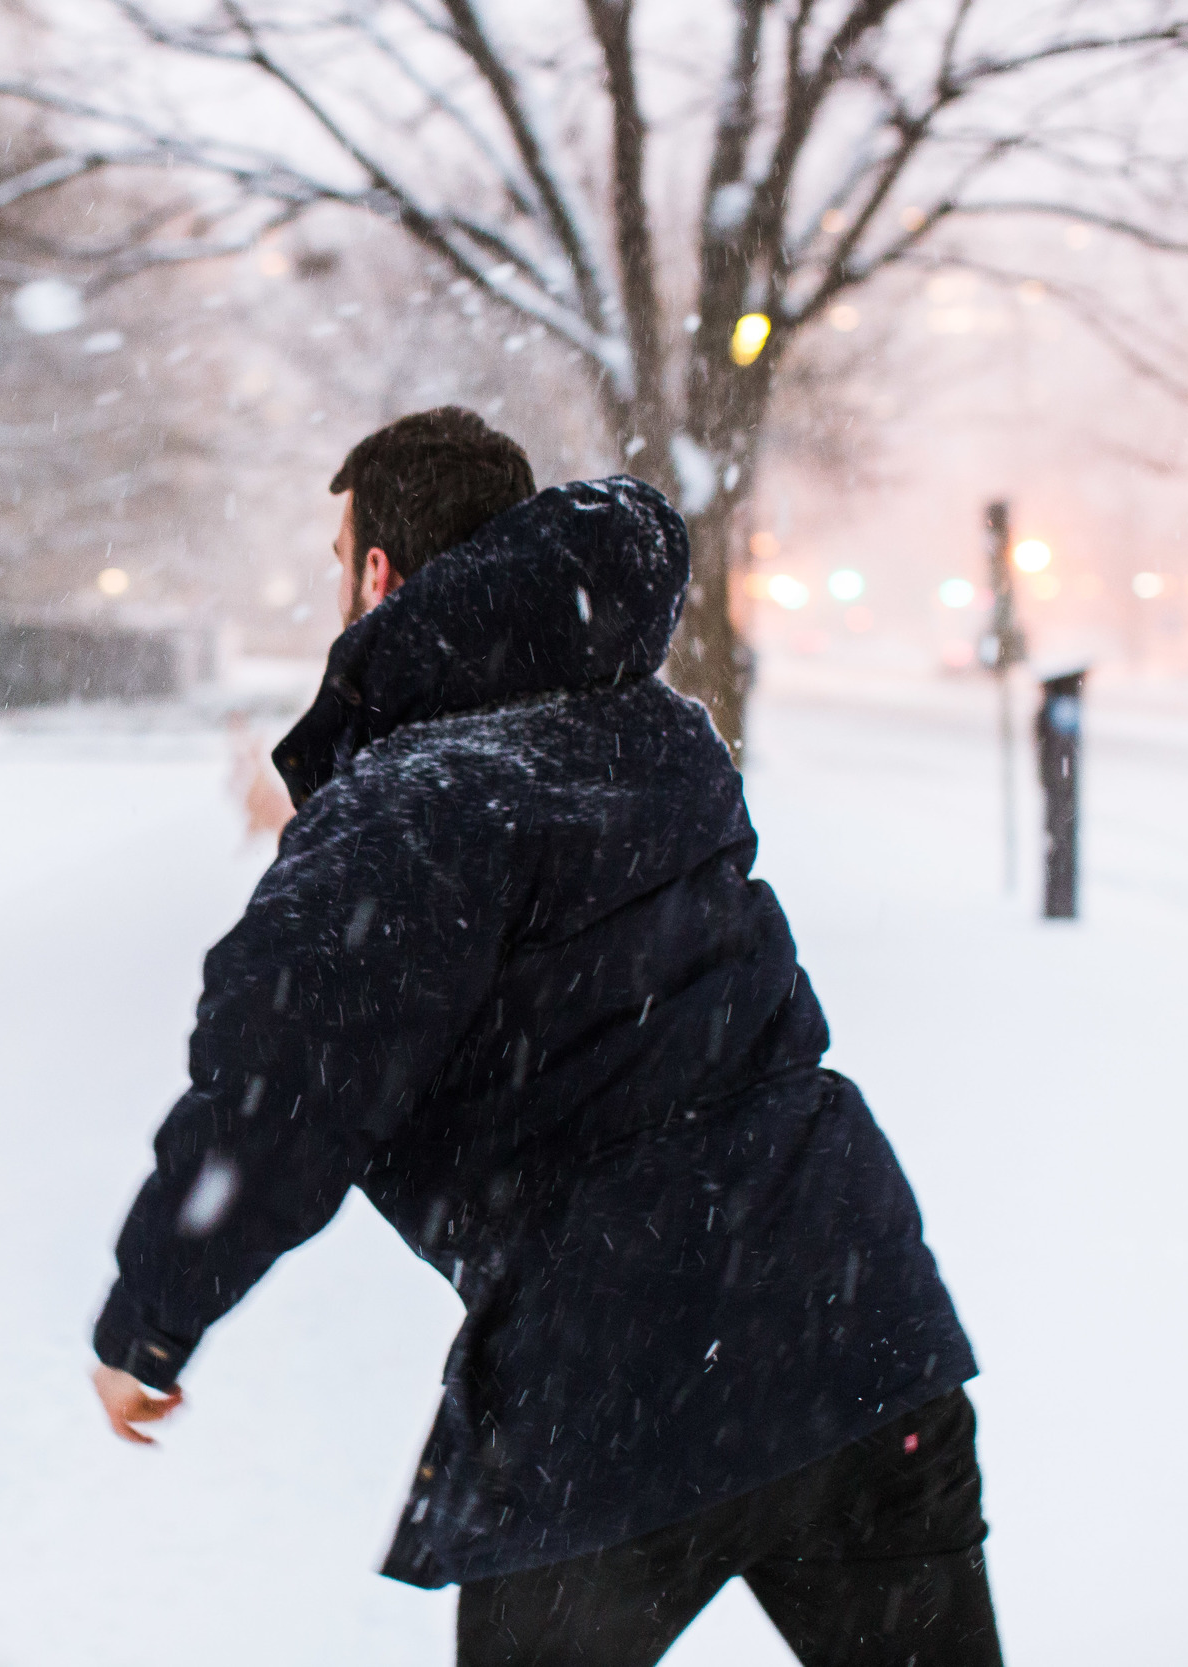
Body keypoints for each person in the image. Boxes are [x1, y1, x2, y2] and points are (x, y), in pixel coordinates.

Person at [89, 409, 1000, 1666]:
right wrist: (333, 804)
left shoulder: (410, 810)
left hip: (612, 1384)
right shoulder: (656, 734)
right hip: (855, 1323)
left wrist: (150, 1316)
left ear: (375, 575)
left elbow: (282, 1092)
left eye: (337, 555)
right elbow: (526, 823)